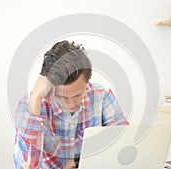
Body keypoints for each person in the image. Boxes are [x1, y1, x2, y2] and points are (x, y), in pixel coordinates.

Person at [14, 40, 129, 169]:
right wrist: (35, 98)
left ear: (87, 83)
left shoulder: (102, 96)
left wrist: (77, 161)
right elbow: (26, 166)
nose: (71, 104)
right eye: (62, 97)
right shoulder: (30, 105)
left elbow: (124, 148)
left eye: (77, 95)